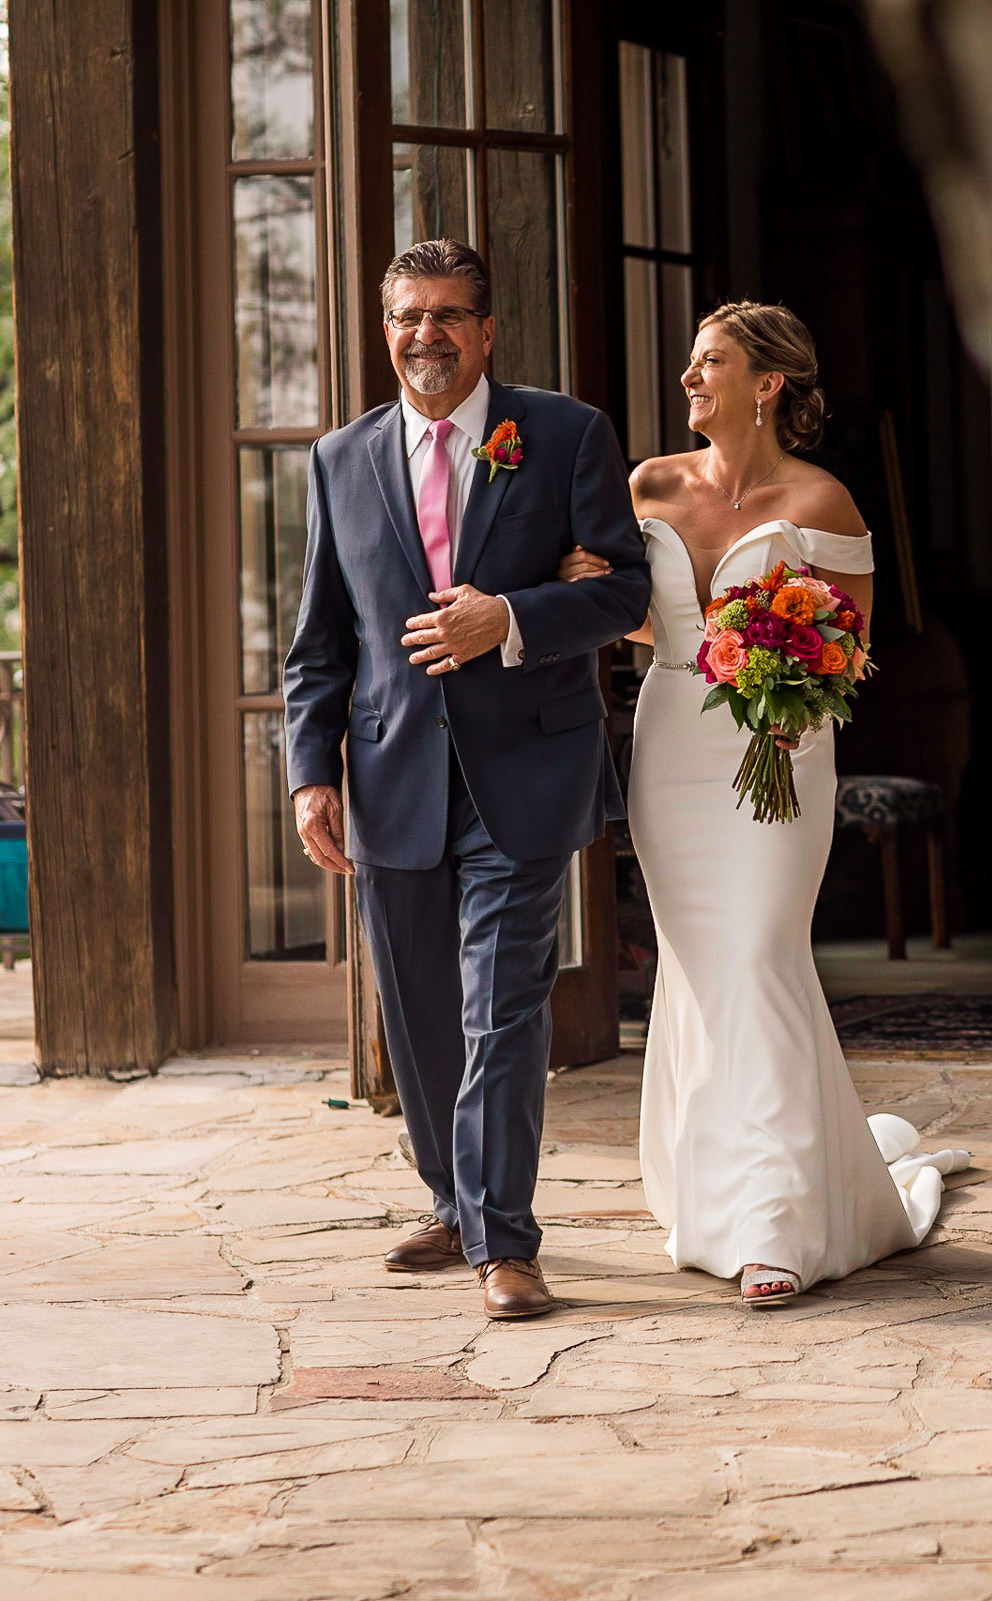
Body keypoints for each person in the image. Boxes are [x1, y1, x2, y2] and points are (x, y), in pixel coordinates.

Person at [562, 302, 967, 1308]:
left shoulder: (822, 501)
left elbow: (854, 648)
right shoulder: (648, 484)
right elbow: (622, 616)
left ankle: (781, 1214)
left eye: (711, 363)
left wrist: (791, 685)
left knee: (756, 954)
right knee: (707, 973)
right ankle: (722, 1190)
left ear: (767, 384)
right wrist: (581, 583)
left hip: (779, 751)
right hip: (673, 756)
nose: (690, 377)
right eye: (693, 361)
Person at [283, 239, 652, 1321]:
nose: (426, 335)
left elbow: (626, 590)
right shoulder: (339, 460)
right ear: (384, 327)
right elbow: (320, 643)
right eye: (408, 316)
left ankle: (504, 1240)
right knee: (420, 1015)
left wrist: (516, 616)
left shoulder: (564, 433)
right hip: (392, 772)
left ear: (487, 331)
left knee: (502, 1009)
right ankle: (452, 1198)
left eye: (448, 315)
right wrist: (312, 775)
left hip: (526, 769)